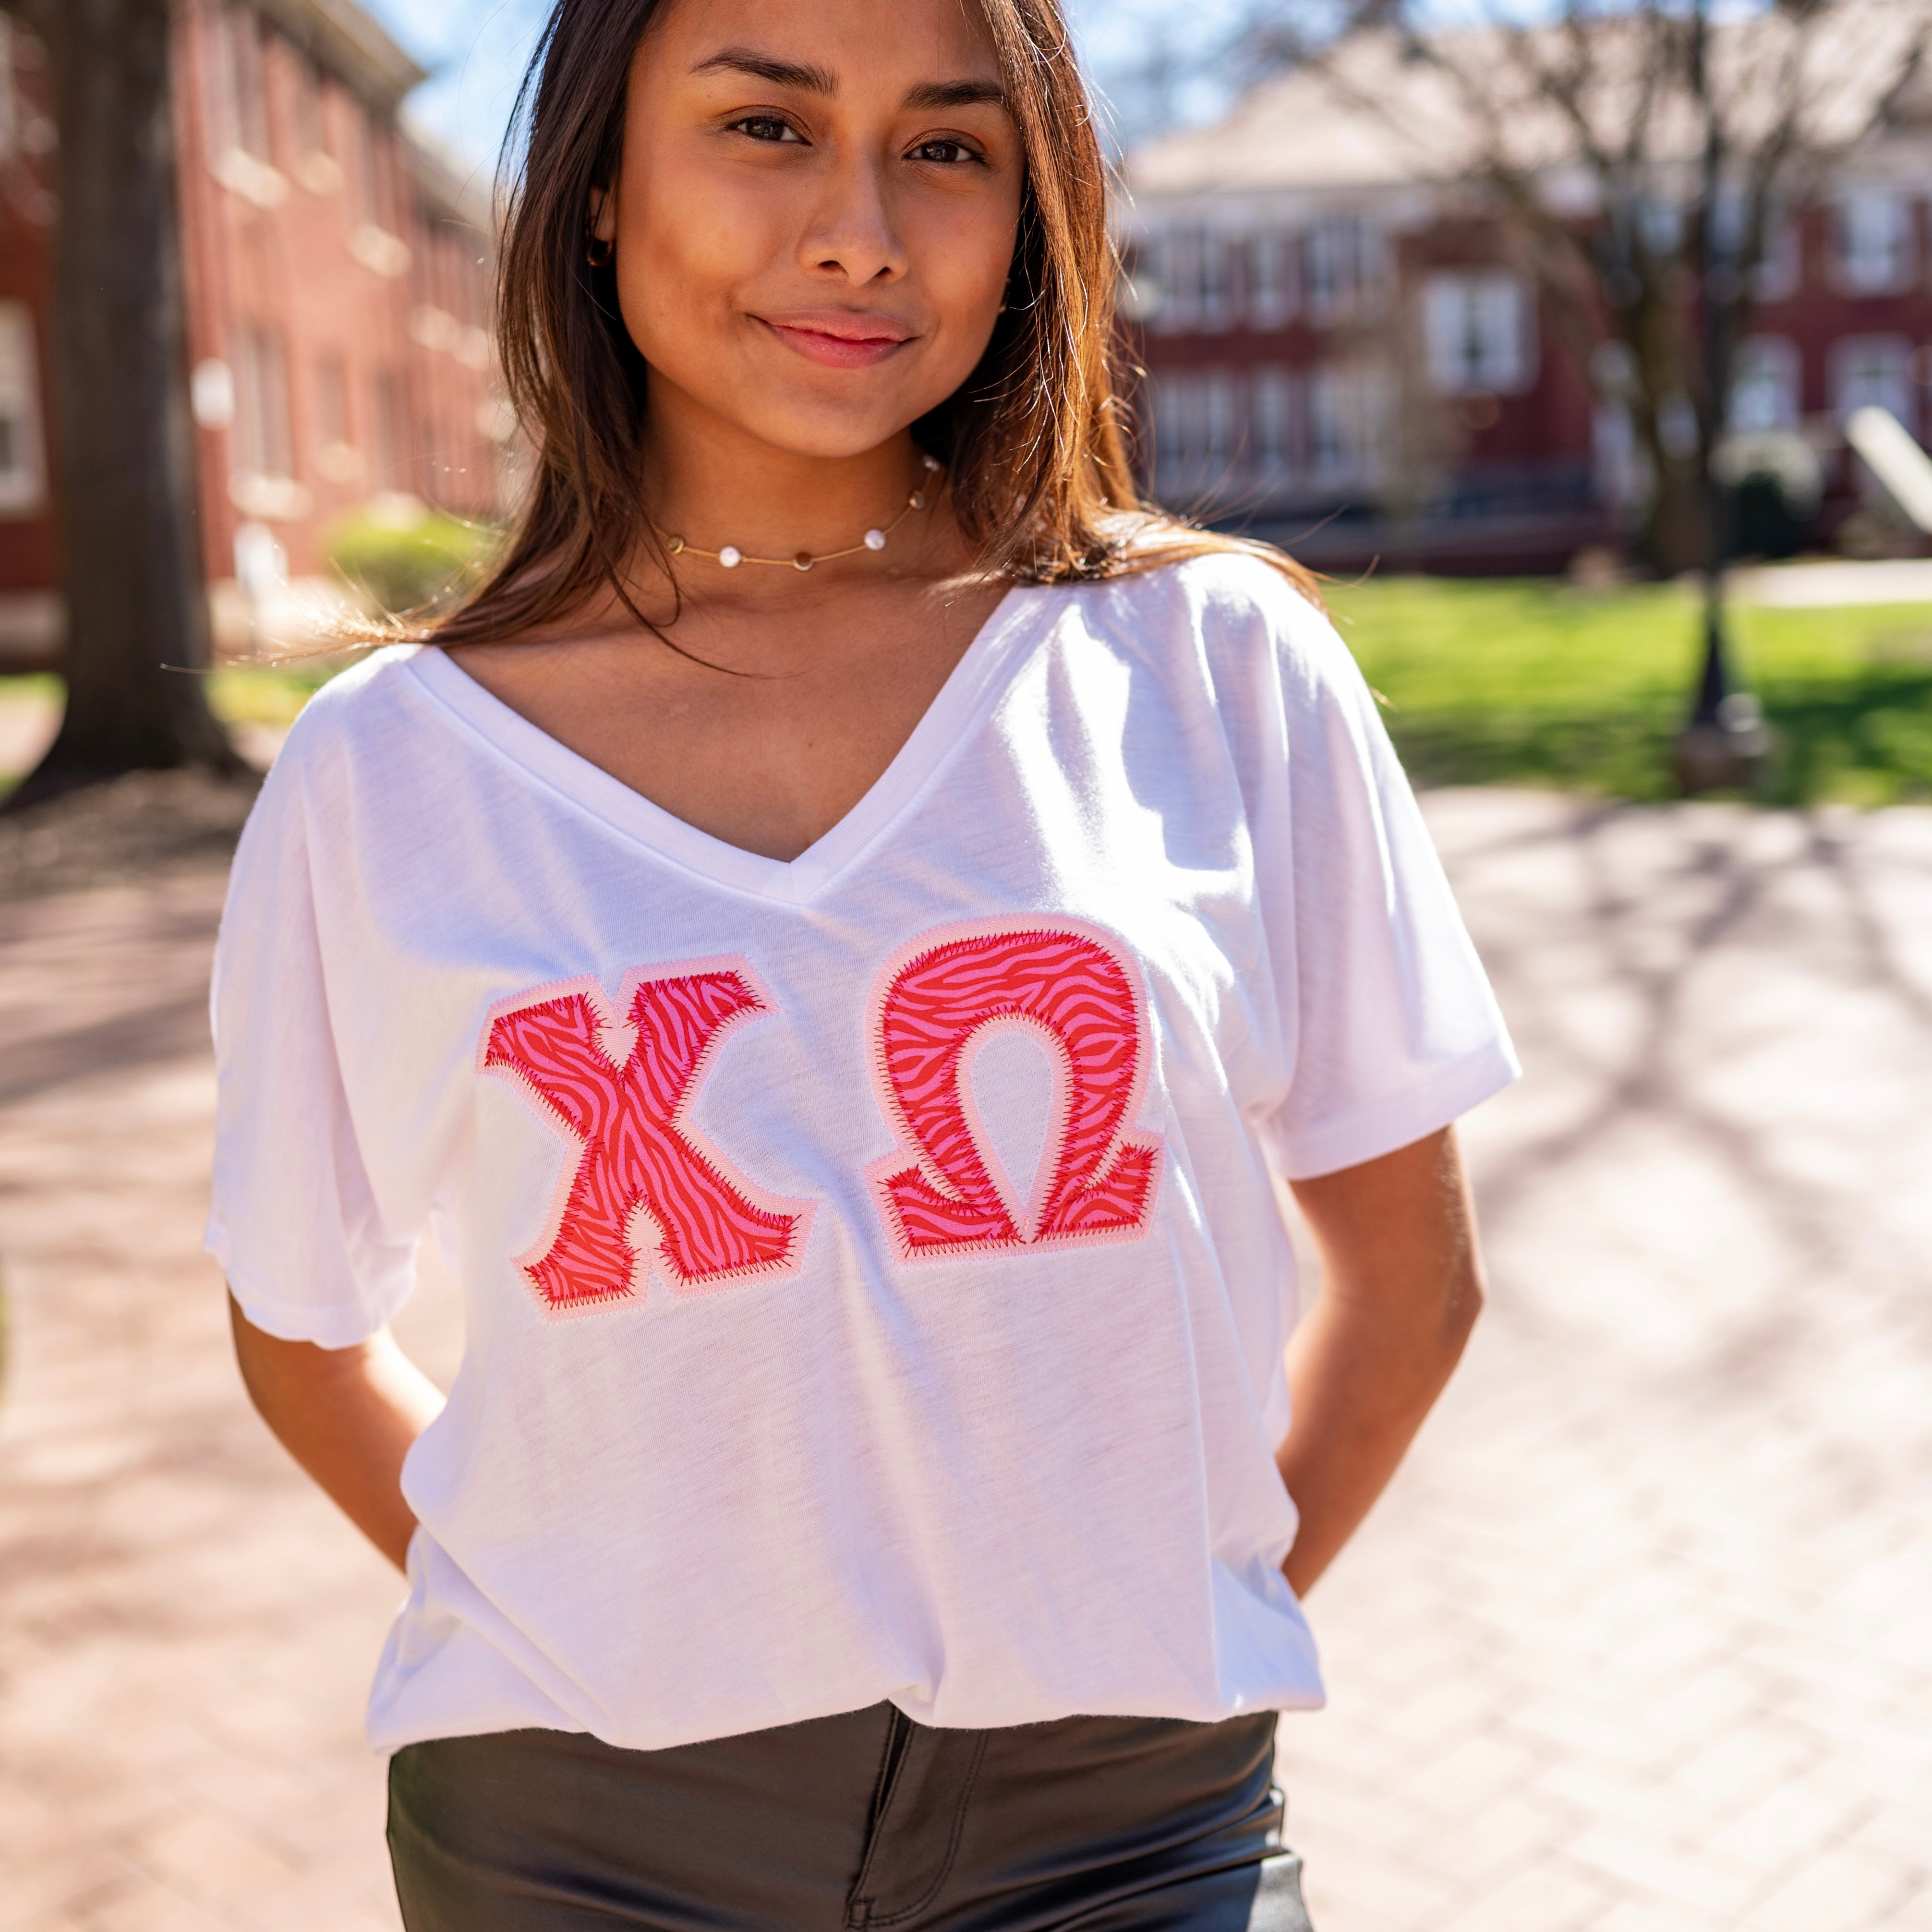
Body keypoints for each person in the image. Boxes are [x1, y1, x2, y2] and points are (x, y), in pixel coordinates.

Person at [207, 0, 1518, 1924]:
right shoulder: (386, 774)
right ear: (594, 187)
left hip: (1125, 1829)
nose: (860, 232)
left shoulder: (1212, 667)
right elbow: (302, 1330)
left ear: (1033, 212)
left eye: (948, 148)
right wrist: (575, 1620)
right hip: (585, 1847)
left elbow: (1409, 1282)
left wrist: (1153, 1622)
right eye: (762, 127)